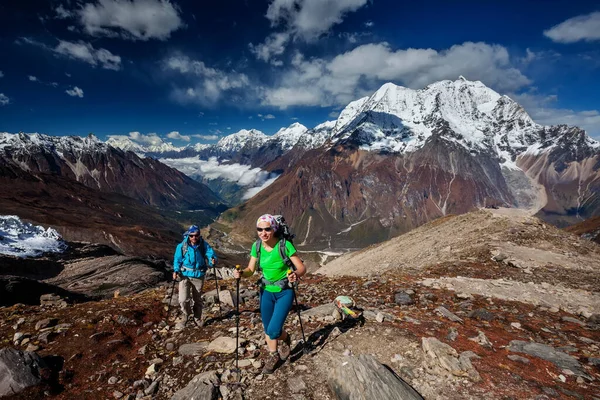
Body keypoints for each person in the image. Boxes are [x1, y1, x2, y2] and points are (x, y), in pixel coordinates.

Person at [233, 214, 306, 374]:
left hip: (284, 292)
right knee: (267, 329)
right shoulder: (256, 246)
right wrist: (241, 274)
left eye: (267, 229)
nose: (263, 233)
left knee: (273, 331)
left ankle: (286, 338)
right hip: (265, 291)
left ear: (274, 229)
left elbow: (301, 268)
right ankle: (274, 355)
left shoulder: (285, 245)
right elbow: (250, 270)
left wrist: (295, 275)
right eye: (260, 229)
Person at [173, 225, 217, 328]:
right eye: (191, 235)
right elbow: (177, 259)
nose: (194, 238)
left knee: (197, 299)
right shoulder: (182, 246)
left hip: (198, 275)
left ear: (199, 235)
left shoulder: (204, 245)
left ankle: (197, 317)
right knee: (183, 299)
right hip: (184, 275)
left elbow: (211, 255)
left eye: (196, 235)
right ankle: (186, 314)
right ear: (188, 235)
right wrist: (176, 270)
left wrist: (213, 260)